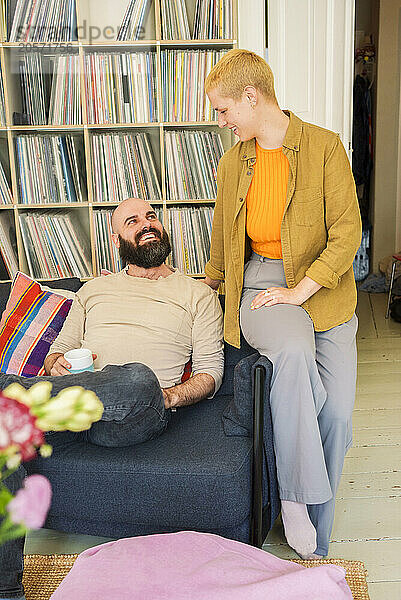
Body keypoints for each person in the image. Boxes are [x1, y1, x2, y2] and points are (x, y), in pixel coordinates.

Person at [0, 197, 224, 600]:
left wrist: (168, 395)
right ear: (116, 236)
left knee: (138, 377)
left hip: (139, 411)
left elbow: (211, 371)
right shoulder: (94, 289)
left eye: (151, 216)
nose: (146, 224)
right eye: (132, 220)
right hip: (72, 410)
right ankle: (6, 589)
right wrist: (55, 363)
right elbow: (60, 350)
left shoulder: (197, 295)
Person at [203, 49, 362, 560]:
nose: (221, 121)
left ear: (251, 98)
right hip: (260, 289)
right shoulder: (235, 162)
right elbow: (222, 244)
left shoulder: (324, 147)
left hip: (324, 288)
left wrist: (303, 289)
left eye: (224, 110)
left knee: (335, 414)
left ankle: (318, 536)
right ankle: (294, 502)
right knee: (293, 352)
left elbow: (347, 233)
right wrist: (206, 293)